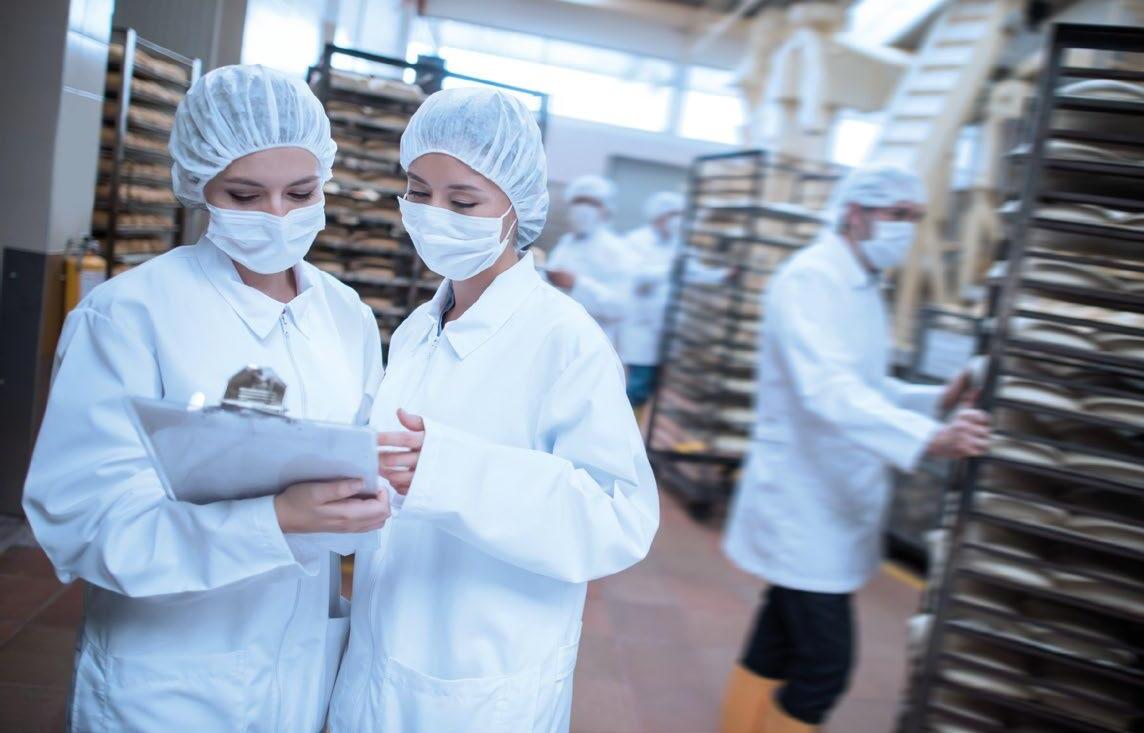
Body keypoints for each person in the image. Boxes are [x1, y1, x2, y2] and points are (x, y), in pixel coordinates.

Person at [22, 65, 390, 732]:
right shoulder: (131, 314)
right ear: (199, 186)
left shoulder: (346, 317)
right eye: (245, 194)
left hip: (298, 672)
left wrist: (379, 492)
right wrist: (272, 521)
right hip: (169, 680)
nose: (277, 216)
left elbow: (363, 469)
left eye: (300, 192)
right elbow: (84, 522)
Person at [327, 88, 660, 732]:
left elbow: (619, 517)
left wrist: (451, 473)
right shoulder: (418, 330)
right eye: (418, 192)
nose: (434, 215)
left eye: (463, 202)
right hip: (379, 655)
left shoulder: (565, 340)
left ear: (517, 206)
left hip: (481, 681)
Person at [719, 165, 990, 733]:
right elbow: (826, 389)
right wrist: (928, 438)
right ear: (855, 213)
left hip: (833, 497)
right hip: (803, 500)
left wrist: (935, 400)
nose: (907, 228)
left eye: (915, 217)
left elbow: (866, 384)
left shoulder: (863, 283)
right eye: (898, 214)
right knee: (825, 669)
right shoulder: (812, 279)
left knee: (778, 641)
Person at [620, 190, 727, 409]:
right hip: (640, 329)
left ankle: (637, 425)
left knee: (653, 390)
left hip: (666, 331)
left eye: (680, 214)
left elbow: (694, 273)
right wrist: (671, 268)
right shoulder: (635, 241)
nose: (677, 220)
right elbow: (636, 278)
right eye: (672, 214)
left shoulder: (679, 246)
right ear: (658, 216)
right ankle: (620, 422)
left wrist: (722, 275)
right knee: (636, 387)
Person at [545, 174, 633, 349]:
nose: (583, 209)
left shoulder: (616, 250)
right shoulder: (567, 243)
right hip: (557, 337)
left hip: (591, 343)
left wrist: (577, 284)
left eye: (592, 203)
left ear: (606, 209)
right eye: (579, 202)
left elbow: (620, 307)